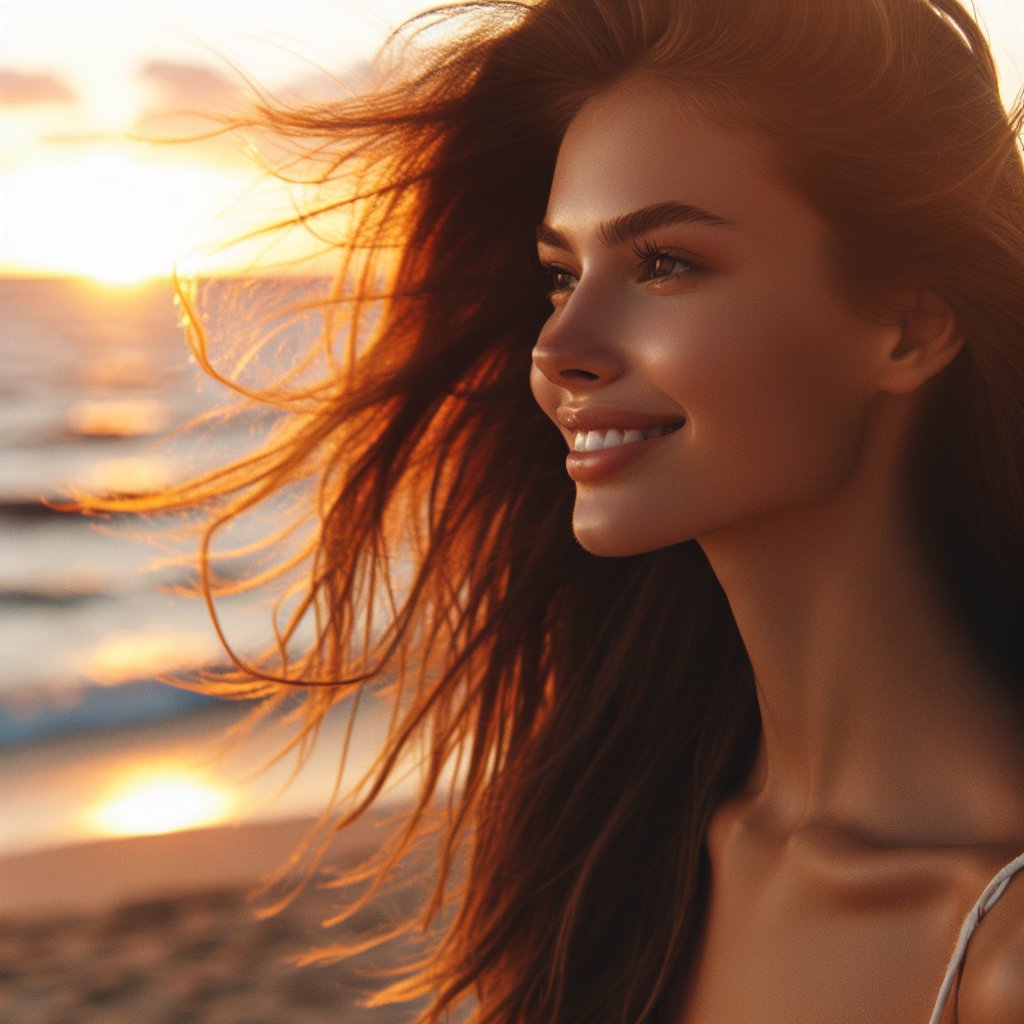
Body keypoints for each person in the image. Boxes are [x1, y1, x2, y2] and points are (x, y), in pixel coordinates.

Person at [100, 0, 1024, 1020]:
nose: (557, 346)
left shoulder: (995, 945)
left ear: (907, 326)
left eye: (665, 264)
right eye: (558, 276)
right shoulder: (617, 837)